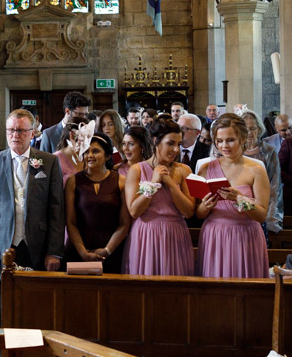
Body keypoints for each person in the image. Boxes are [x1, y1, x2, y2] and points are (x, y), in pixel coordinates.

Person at [0, 108, 64, 357]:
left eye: (21, 131)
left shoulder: (47, 162)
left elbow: (56, 210)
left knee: (34, 308)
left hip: (36, 246)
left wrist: (54, 251)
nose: (15, 135)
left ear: (33, 133)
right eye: (11, 130)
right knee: (3, 311)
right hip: (4, 247)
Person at [196, 114, 271, 278]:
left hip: (246, 235)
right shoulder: (204, 169)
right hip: (214, 235)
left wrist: (240, 199)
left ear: (243, 139)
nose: (224, 146)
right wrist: (205, 205)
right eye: (219, 141)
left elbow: (261, 215)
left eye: (230, 140)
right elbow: (199, 214)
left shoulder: (256, 170)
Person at [123, 119, 195, 276]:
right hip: (146, 234)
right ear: (156, 141)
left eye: (178, 144)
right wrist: (154, 183)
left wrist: (169, 183)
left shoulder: (184, 170)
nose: (176, 149)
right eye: (170, 143)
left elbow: (189, 211)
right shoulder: (137, 170)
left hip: (175, 234)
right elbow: (134, 211)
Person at [64, 133, 130, 274]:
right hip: (79, 248)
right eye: (86, 151)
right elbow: (70, 221)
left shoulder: (121, 181)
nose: (90, 156)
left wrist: (107, 250)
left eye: (95, 151)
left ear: (107, 156)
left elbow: (124, 222)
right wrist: (83, 252)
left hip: (112, 249)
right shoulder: (73, 181)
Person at [242, 109, 283, 236]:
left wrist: (271, 217)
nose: (249, 132)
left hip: (261, 209)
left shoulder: (269, 151)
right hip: (239, 210)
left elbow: (275, 186)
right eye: (245, 128)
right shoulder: (235, 151)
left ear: (259, 129)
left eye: (253, 128)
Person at [53, 115, 89, 185]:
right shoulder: (55, 159)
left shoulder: (89, 156)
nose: (88, 141)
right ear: (72, 135)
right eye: (85, 136)